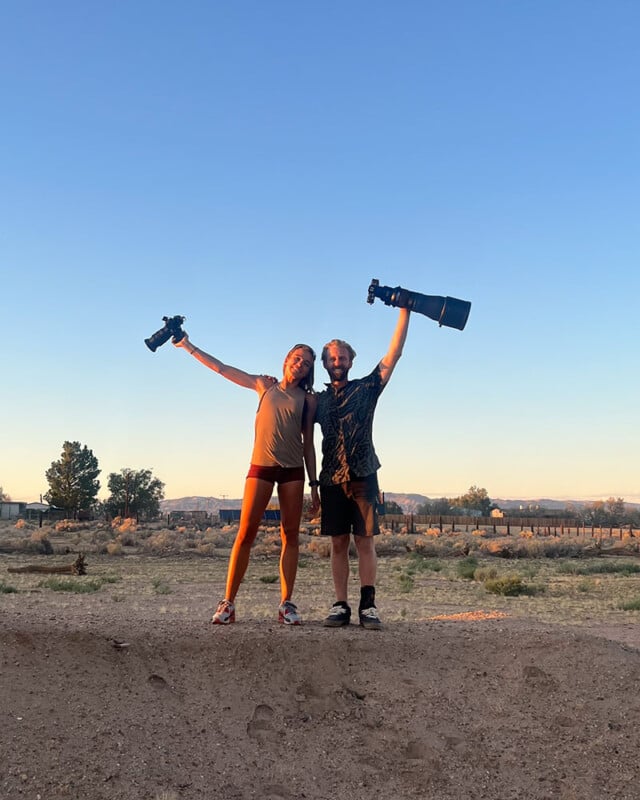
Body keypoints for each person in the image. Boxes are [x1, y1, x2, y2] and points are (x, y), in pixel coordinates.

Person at [174, 333, 320, 625]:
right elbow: (222, 369)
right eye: (297, 358)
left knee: (290, 535)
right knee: (245, 534)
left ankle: (286, 604)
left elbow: (308, 444)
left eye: (306, 364)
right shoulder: (263, 385)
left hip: (293, 472)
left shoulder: (309, 400)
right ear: (286, 360)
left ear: (309, 371)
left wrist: (314, 486)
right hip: (261, 467)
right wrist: (187, 345)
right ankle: (228, 603)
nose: (300, 365)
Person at [315, 307, 411, 629]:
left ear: (351, 361)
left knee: (365, 542)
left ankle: (368, 605)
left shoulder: (366, 389)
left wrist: (404, 310)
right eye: (332, 359)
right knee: (338, 543)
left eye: (342, 358)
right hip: (330, 478)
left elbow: (393, 355)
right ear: (325, 364)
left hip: (363, 473)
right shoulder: (318, 401)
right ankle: (340, 604)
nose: (337, 363)